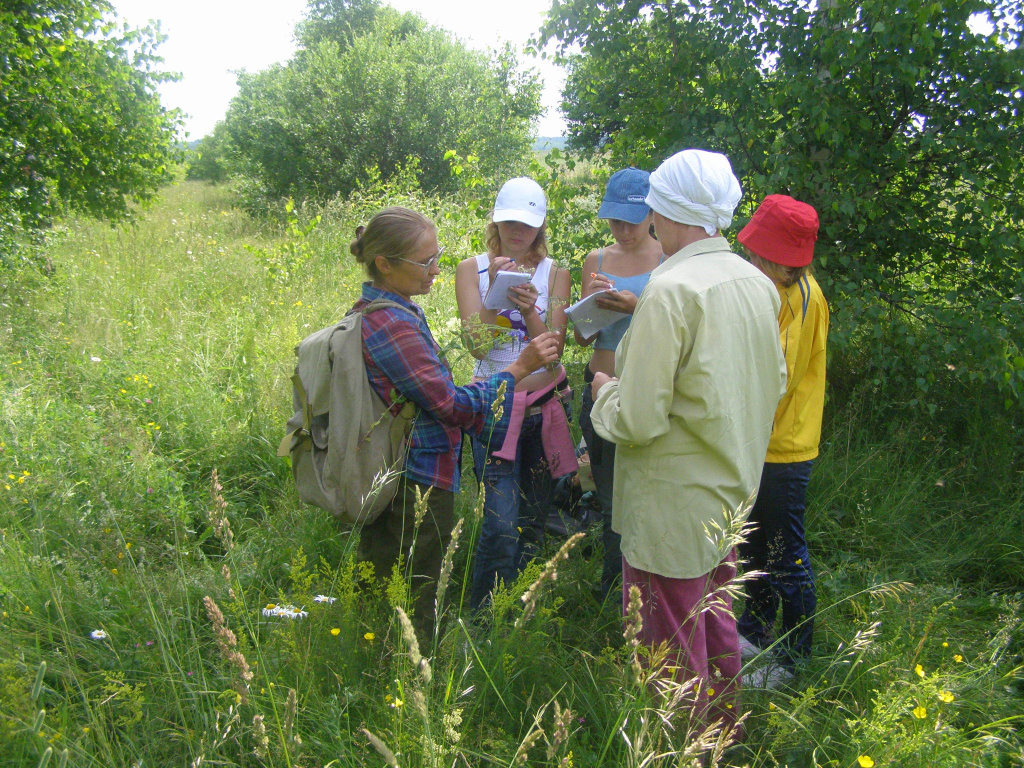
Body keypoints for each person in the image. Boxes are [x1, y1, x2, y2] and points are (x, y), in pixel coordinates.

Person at [589, 150, 787, 731]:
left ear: (666, 210)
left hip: (672, 500)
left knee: (667, 642)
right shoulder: (754, 280)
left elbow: (640, 417)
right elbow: (768, 384)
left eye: (653, 207)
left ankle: (679, 746)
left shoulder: (671, 288)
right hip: (729, 487)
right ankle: (723, 733)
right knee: (715, 617)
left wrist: (604, 389)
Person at [351, 206, 561, 633]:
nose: (435, 269)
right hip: (415, 474)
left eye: (438, 256)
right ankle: (410, 663)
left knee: (394, 575)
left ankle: (383, 649)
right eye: (424, 261)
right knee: (418, 583)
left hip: (407, 467)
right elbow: (450, 405)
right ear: (384, 264)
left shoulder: (399, 309)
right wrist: (518, 369)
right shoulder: (392, 323)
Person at [454, 177, 574, 612]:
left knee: (533, 518)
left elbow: (553, 353)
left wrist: (527, 309)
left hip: (543, 409)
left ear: (540, 227)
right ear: (495, 221)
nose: (517, 232)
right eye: (509, 222)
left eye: (527, 224)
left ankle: (521, 604)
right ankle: (482, 617)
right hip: (495, 409)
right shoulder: (471, 269)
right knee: (499, 523)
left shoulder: (555, 273)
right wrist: (495, 293)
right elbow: (478, 344)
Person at [734, 195, 828, 688]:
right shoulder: (774, 292)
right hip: (759, 442)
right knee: (753, 546)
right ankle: (752, 629)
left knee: (786, 553)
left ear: (779, 260)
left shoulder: (800, 299)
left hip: (783, 449)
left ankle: (795, 660)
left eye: (758, 254)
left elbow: (778, 378)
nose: (751, 260)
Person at [575, 168, 663, 602]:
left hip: (646, 389)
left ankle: (651, 588)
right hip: (598, 383)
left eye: (631, 220)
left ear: (652, 213)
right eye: (614, 221)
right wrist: (595, 307)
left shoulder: (670, 259)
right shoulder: (598, 259)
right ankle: (614, 592)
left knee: (647, 498)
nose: (623, 231)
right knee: (610, 497)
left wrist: (637, 304)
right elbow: (581, 336)